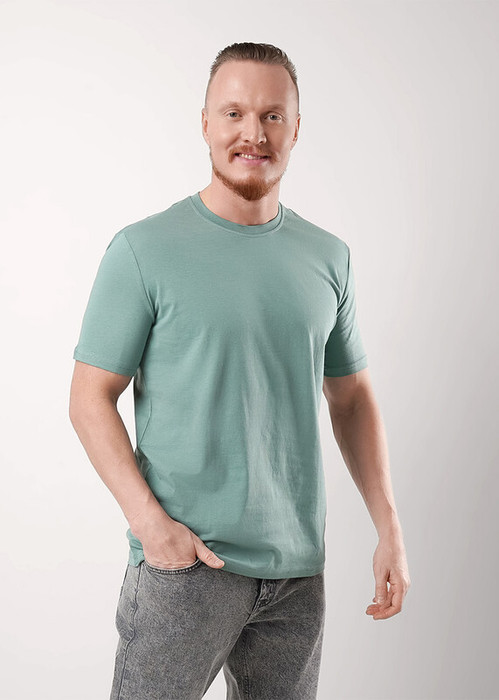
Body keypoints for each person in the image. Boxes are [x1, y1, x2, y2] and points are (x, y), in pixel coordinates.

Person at [69, 41, 410, 700]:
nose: (253, 133)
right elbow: (89, 398)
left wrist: (388, 528)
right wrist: (151, 527)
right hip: (186, 567)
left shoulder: (328, 257)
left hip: (297, 576)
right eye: (233, 114)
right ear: (205, 124)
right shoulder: (142, 250)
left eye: (271, 116)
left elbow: (351, 397)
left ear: (295, 128)